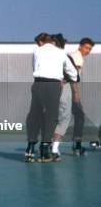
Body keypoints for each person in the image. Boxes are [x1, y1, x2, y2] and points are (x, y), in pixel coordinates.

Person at [24, 33, 78, 163]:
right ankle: (44, 151)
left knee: (34, 115)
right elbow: (73, 72)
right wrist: (72, 78)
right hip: (53, 85)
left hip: (37, 84)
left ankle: (30, 148)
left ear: (42, 42)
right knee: (51, 117)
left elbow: (35, 67)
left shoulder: (37, 51)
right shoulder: (60, 53)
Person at [67, 38, 95, 155]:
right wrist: (76, 93)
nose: (88, 51)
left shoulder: (71, 55)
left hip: (62, 89)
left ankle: (49, 145)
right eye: (86, 48)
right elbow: (73, 77)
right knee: (80, 116)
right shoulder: (77, 57)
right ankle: (77, 146)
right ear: (80, 46)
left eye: (90, 49)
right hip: (69, 90)